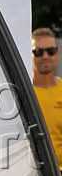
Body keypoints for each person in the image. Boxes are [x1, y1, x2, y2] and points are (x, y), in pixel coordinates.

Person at [33, 28, 62, 167]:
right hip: (30, 174)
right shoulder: (18, 92)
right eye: (38, 52)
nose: (45, 56)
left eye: (51, 51)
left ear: (58, 54)